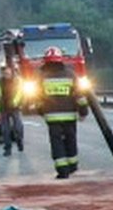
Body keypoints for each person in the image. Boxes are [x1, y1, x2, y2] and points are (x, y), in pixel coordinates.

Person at [38, 46, 89, 179]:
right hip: (69, 115)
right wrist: (83, 111)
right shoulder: (70, 74)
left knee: (56, 143)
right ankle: (72, 165)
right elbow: (80, 96)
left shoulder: (42, 76)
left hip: (52, 117)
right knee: (71, 139)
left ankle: (62, 170)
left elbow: (37, 98)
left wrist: (41, 111)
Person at [0, 65, 24, 156]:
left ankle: (19, 140)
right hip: (3, 108)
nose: (6, 75)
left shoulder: (17, 81)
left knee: (17, 127)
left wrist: (18, 103)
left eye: (8, 73)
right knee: (5, 130)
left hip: (15, 107)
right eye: (4, 73)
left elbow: (21, 93)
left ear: (11, 72)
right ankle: (8, 148)